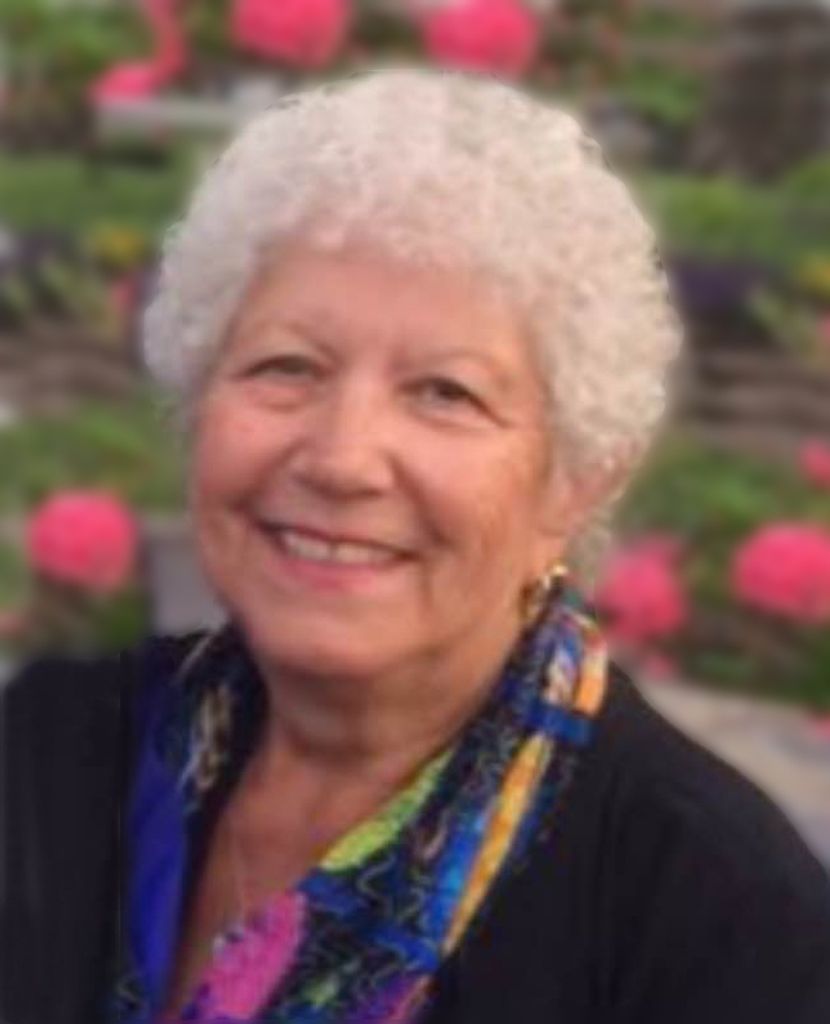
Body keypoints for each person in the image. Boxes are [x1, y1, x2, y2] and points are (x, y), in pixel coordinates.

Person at [2, 69, 829, 1024]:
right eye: (287, 366)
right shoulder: (49, 753)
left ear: (575, 481)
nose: (342, 458)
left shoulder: (716, 918)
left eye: (446, 393)